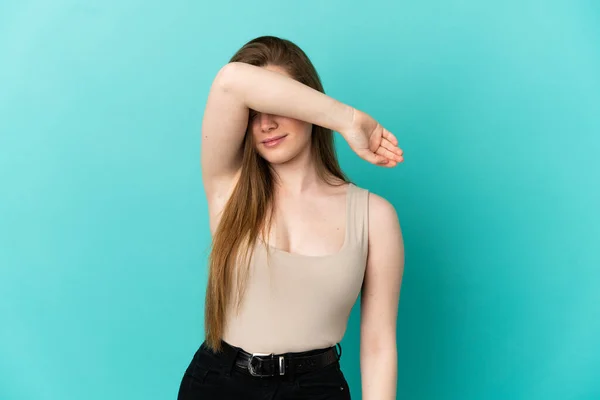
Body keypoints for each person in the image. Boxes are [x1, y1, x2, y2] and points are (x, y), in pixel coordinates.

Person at [177, 35, 405, 400]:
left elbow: (379, 346)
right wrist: (349, 120)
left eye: (278, 103)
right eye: (253, 112)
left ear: (309, 100)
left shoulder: (374, 216)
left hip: (316, 389)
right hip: (218, 385)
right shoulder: (229, 188)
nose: (265, 123)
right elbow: (230, 82)